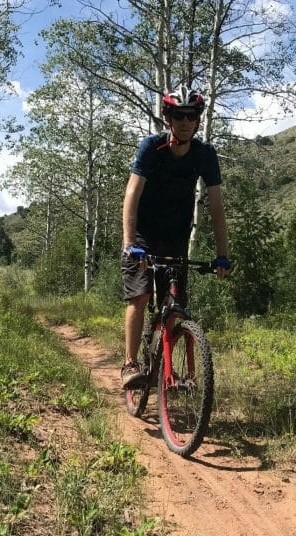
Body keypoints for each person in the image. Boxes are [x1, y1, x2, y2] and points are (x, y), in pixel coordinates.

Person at [120, 85, 230, 389]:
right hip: (142, 235)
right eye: (179, 115)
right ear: (169, 118)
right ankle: (130, 364)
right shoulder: (151, 147)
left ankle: (164, 365)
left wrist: (223, 254)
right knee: (140, 295)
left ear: (198, 120)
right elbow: (131, 194)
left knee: (175, 303)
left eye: (191, 115)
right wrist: (130, 243)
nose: (185, 121)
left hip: (176, 237)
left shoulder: (205, 155)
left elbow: (217, 206)